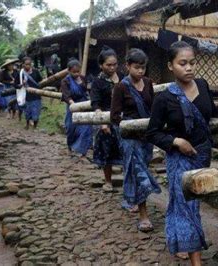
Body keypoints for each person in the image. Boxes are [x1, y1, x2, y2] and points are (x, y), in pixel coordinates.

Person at [146, 41, 218, 265]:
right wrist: (176, 141)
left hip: (201, 155)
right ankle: (196, 260)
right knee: (185, 205)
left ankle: (184, 242)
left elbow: (214, 109)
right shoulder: (164, 98)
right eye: (182, 63)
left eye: (192, 63)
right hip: (179, 159)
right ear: (171, 66)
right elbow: (152, 133)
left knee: (191, 204)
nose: (189, 68)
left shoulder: (202, 85)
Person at [110, 48, 161, 230]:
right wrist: (130, 125)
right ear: (128, 66)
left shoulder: (148, 83)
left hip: (146, 137)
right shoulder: (121, 87)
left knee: (140, 169)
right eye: (137, 67)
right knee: (139, 173)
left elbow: (153, 108)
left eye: (143, 68)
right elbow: (115, 116)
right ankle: (143, 215)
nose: (141, 71)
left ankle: (133, 199)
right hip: (130, 138)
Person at [90, 46, 123, 192]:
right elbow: (95, 103)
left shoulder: (122, 77)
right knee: (106, 151)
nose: (112, 67)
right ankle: (108, 181)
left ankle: (128, 181)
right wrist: (103, 122)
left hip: (124, 119)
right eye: (108, 65)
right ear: (101, 65)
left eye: (114, 64)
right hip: (106, 120)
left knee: (126, 150)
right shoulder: (98, 82)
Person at [61, 59, 93, 161]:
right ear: (69, 71)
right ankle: (70, 146)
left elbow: (86, 91)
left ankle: (83, 153)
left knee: (86, 128)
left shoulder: (83, 78)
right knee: (71, 128)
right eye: (74, 72)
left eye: (78, 71)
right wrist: (73, 104)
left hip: (83, 105)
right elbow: (66, 95)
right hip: (72, 106)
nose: (76, 74)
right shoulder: (65, 81)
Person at [18, 57, 43, 129]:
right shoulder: (20, 74)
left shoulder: (36, 72)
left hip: (36, 95)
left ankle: (35, 126)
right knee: (27, 112)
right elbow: (16, 84)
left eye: (29, 64)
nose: (28, 66)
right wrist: (22, 84)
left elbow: (41, 81)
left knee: (36, 112)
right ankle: (27, 124)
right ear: (23, 65)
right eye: (26, 64)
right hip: (26, 96)